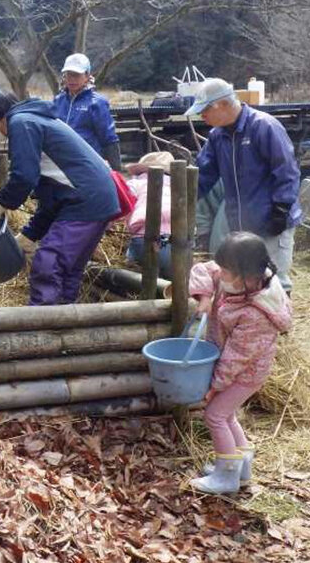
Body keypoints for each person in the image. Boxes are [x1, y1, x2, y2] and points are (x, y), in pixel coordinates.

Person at [0, 87, 120, 306]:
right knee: (69, 269)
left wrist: (0, 203)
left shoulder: (21, 123)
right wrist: (30, 233)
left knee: (48, 264)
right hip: (94, 198)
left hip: (85, 200)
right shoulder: (33, 119)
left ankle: (42, 324)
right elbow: (50, 192)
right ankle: (63, 322)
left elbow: (24, 177)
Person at [189, 232, 292, 494]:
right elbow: (204, 268)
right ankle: (242, 467)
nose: (221, 276)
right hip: (239, 367)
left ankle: (226, 476)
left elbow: (236, 359)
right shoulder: (240, 280)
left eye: (226, 273)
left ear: (247, 277)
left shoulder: (256, 314)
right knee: (227, 414)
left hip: (245, 373)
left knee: (214, 415)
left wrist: (215, 386)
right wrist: (204, 297)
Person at [186, 78, 301, 293]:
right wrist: (183, 200)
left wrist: (281, 209)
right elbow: (203, 175)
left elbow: (286, 170)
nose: (202, 116)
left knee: (273, 278)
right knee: (245, 279)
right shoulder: (217, 136)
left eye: (204, 110)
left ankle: (278, 322)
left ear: (221, 104)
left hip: (271, 218)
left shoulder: (263, 126)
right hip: (240, 222)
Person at [52, 53, 122, 171]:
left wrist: (116, 170)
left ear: (87, 76)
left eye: (76, 75)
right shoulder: (58, 101)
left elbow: (109, 139)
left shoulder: (97, 103)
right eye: (68, 75)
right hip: (61, 163)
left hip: (89, 164)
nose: (71, 79)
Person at [124, 151, 173, 278]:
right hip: (176, 242)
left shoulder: (135, 184)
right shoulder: (177, 186)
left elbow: (125, 206)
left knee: (131, 260)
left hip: (144, 240)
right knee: (171, 277)